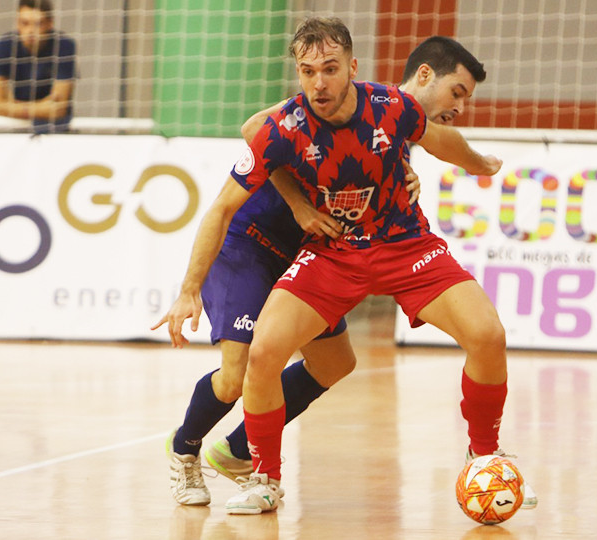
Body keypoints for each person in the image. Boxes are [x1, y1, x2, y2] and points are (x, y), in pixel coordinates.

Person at [164, 15, 511, 515]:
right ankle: (208, 455)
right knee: (249, 363)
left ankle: (484, 457)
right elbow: (223, 202)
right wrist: (189, 288)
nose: (319, 82)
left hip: (394, 245)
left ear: (352, 65)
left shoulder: (392, 110)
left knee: (478, 336)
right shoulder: (285, 125)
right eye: (308, 72)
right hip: (268, 245)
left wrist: (477, 163)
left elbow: (437, 139)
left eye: (329, 69)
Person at [0, 0, 77, 133]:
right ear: (17, 22)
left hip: (55, 127)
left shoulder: (64, 46)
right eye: (24, 23)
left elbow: (59, 108)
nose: (30, 31)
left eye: (38, 24)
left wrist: (12, 106)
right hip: (16, 123)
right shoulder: (6, 45)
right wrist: (39, 109)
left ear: (49, 24)